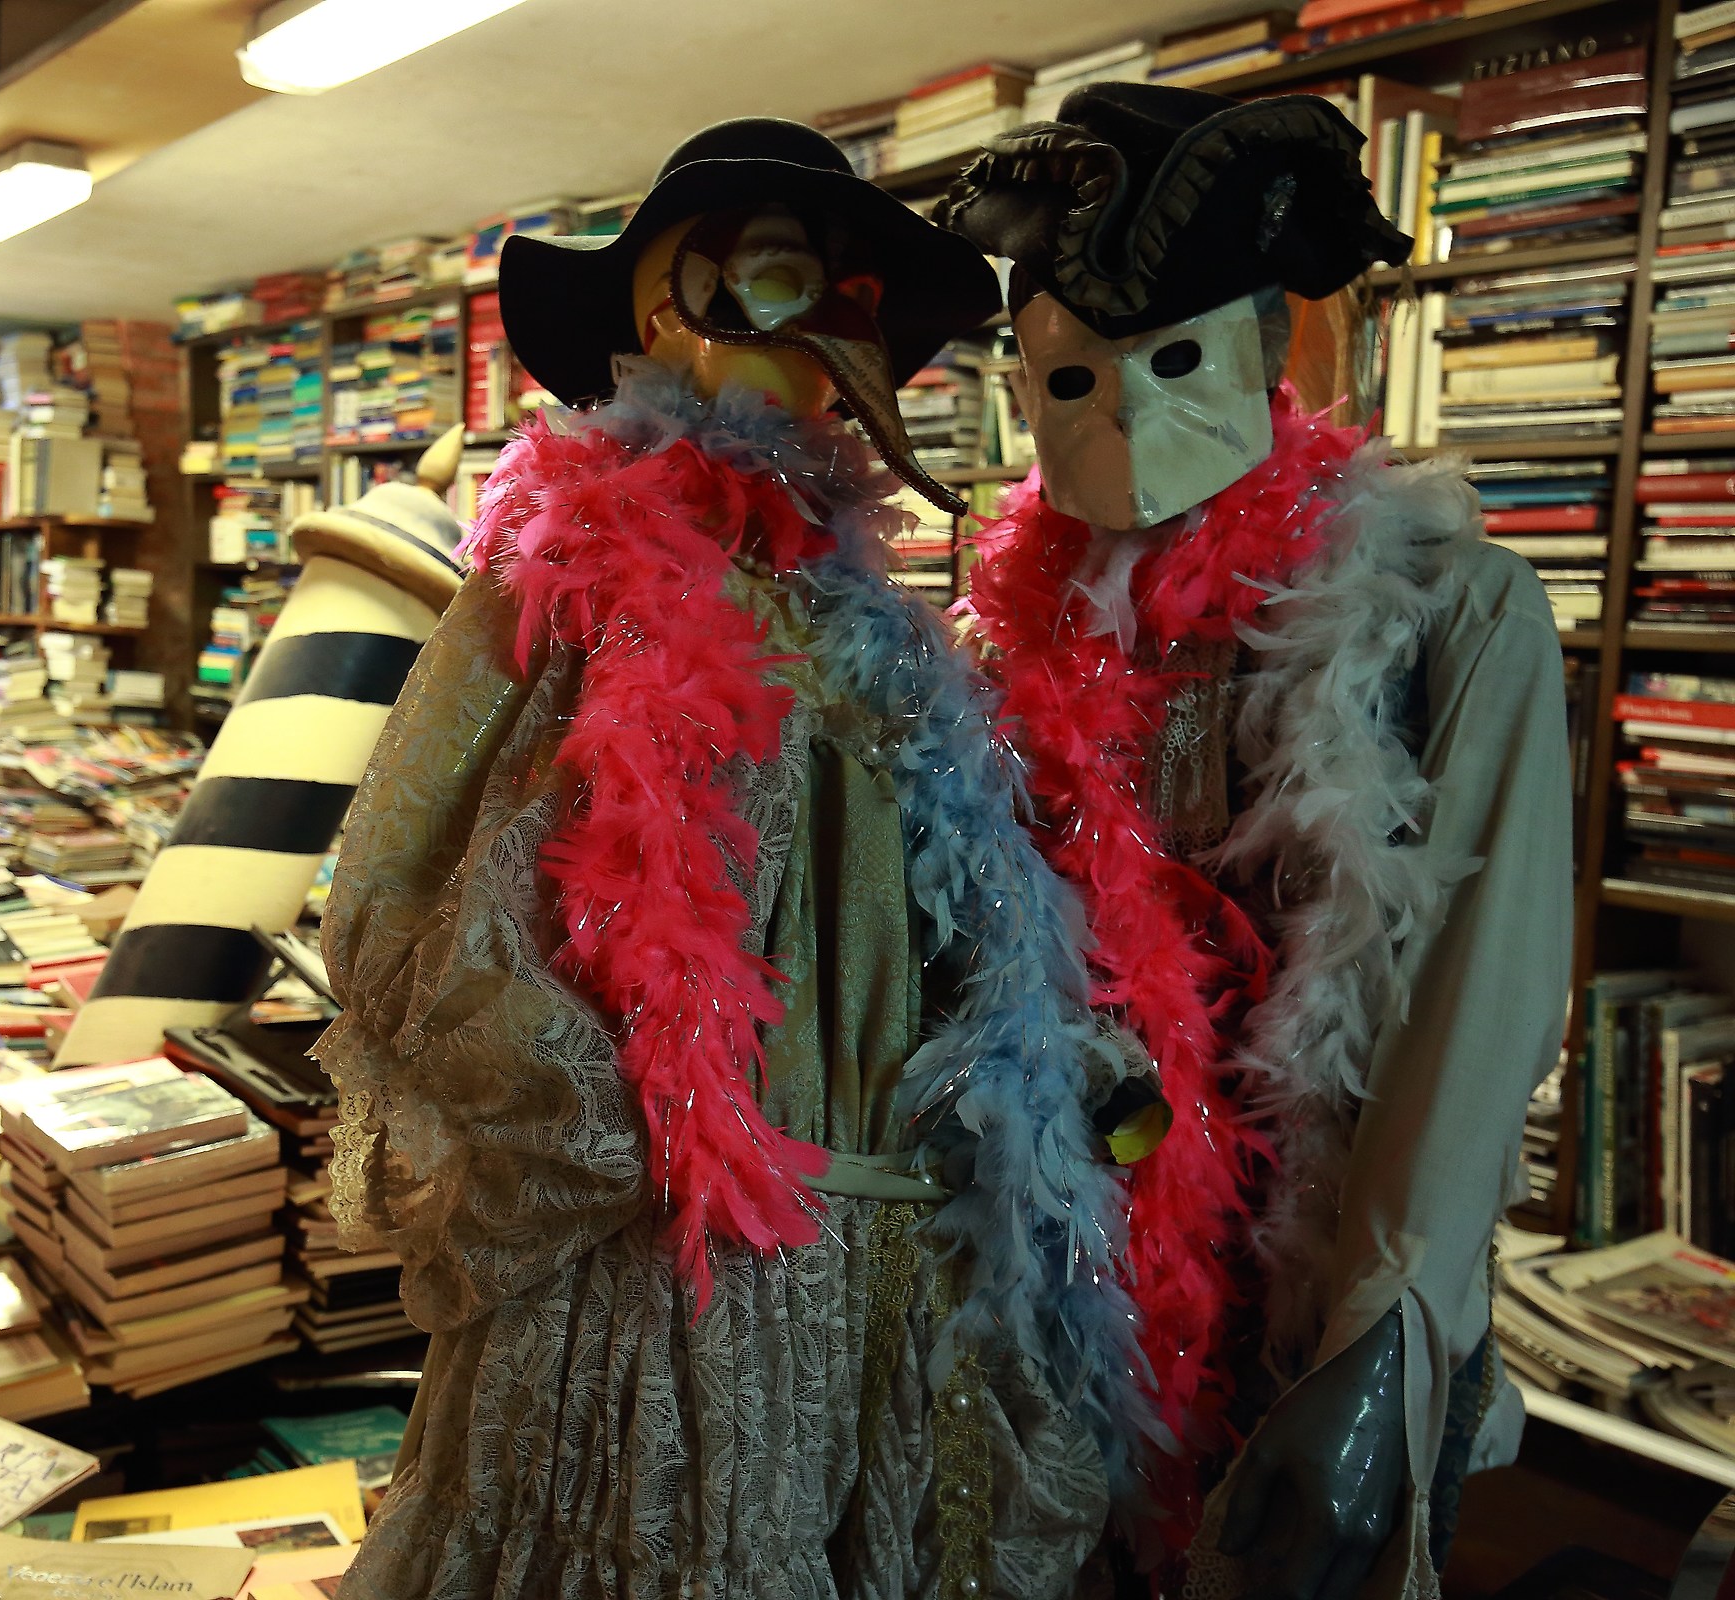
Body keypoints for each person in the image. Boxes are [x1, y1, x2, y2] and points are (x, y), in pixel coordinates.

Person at [318, 115, 1164, 1600]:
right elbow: (400, 912)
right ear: (662, 309)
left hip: (896, 1289)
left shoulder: (884, 632)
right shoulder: (564, 593)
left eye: (853, 290)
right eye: (778, 274)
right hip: (680, 1285)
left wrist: (1048, 1075)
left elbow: (952, 907)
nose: (831, 322)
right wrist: (628, 1136)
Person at [937, 82, 1574, 1599]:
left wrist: (1383, 1347)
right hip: (1057, 1302)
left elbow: (1472, 1013)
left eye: (1177, 359)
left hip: (1316, 1302)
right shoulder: (993, 645)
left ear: (1271, 352)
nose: (1136, 419)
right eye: (1078, 378)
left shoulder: (1445, 616)